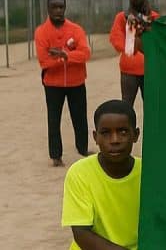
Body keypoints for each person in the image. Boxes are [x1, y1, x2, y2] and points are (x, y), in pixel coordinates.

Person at [61, 100, 141, 250]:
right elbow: (81, 234)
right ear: (95, 137)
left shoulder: (146, 173)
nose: (115, 140)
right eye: (105, 133)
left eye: (123, 132)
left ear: (136, 135)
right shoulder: (79, 173)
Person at [35, 0, 92, 167]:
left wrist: (64, 55)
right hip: (53, 84)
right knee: (54, 119)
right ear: (48, 9)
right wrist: (68, 57)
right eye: (54, 7)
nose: (58, 10)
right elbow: (44, 61)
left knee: (80, 117)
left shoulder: (76, 29)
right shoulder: (41, 32)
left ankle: (83, 149)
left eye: (61, 7)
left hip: (76, 82)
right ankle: (56, 155)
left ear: (65, 8)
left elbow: (85, 54)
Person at [109, 0, 160, 108]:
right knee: (126, 106)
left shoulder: (154, 17)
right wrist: (131, 46)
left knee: (152, 106)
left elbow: (159, 42)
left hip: (150, 69)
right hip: (129, 70)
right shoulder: (122, 17)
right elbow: (116, 39)